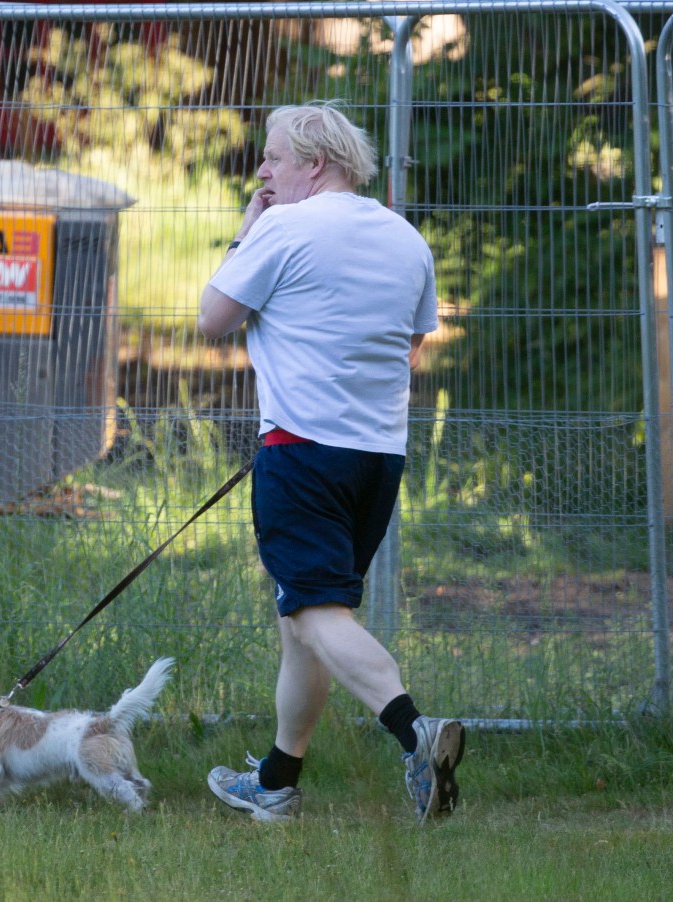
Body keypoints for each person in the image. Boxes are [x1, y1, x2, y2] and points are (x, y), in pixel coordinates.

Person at [198, 101, 464, 823]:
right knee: (303, 624)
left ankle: (417, 731)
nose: (263, 170)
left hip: (300, 453)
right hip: (377, 460)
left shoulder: (282, 228)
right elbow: (411, 347)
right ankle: (278, 782)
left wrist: (246, 228)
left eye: (275, 157)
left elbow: (212, 318)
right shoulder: (406, 239)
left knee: (315, 616)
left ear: (315, 162)